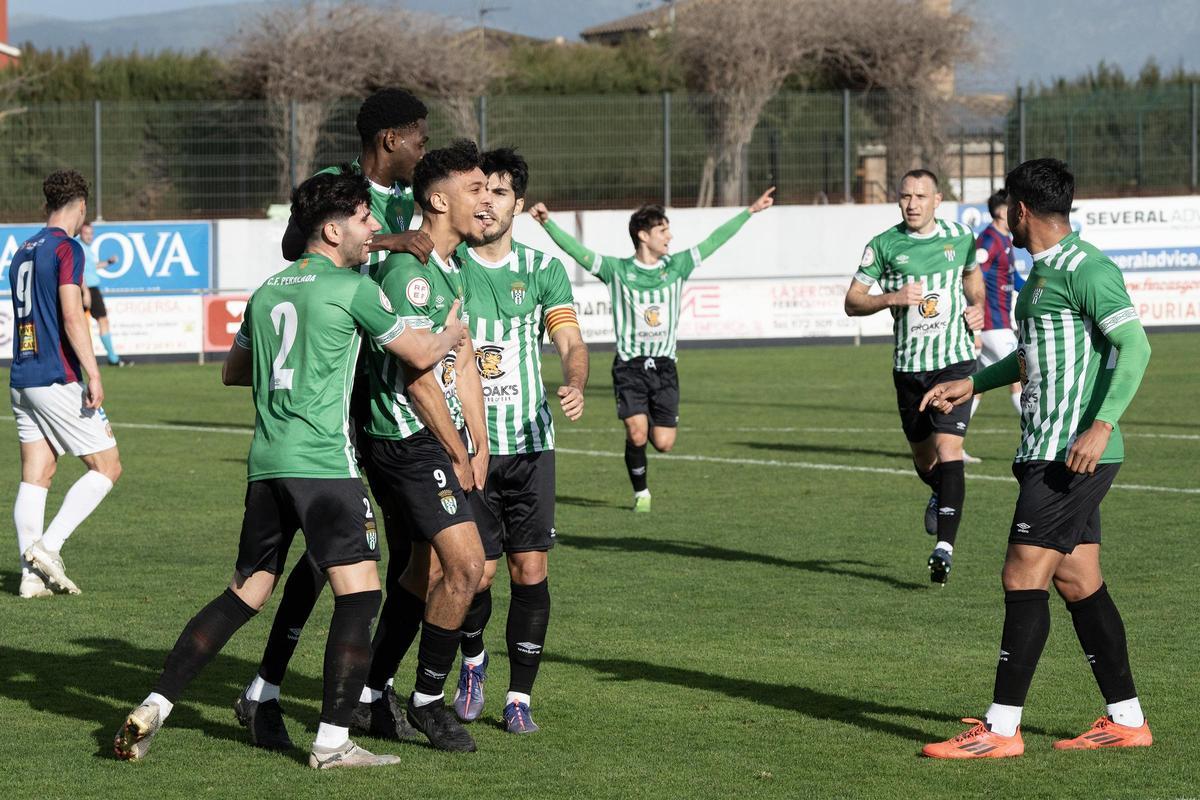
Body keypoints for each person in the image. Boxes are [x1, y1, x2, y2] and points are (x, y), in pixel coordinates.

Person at [113, 172, 464, 769]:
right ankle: (331, 742)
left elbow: (232, 372)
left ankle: (156, 702)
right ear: (333, 229)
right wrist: (453, 329)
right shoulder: (352, 289)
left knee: (244, 593)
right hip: (325, 465)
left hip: (266, 465)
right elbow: (420, 355)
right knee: (361, 594)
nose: (373, 229)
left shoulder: (267, 291)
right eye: (362, 219)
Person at [920, 158, 1153, 759]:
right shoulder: (1044, 273)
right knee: (1078, 580)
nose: (1006, 223)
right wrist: (972, 383)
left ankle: (1000, 731)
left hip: (1070, 454)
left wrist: (1100, 428)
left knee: (1022, 573)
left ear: (1021, 211)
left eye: (1008, 213)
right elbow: (1034, 355)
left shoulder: (1087, 268)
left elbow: (1136, 346)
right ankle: (1126, 720)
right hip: (1046, 448)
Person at [232, 88, 434, 747]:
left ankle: (374, 693)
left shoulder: (418, 194)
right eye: (419, 139)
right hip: (336, 404)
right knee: (326, 561)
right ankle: (268, 688)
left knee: (401, 555)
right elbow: (299, 247)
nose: (424, 149)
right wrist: (390, 240)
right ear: (390, 141)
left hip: (393, 398)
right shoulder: (333, 186)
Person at [353, 139, 491, 752]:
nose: (486, 200)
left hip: (435, 439)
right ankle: (430, 701)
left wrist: (478, 439)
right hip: (405, 439)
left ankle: (367, 694)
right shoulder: (408, 273)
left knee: (423, 570)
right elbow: (416, 378)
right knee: (465, 566)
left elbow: (458, 357)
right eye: (475, 190)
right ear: (438, 199)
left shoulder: (451, 267)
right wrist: (456, 453)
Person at [450, 147, 588, 734]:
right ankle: (474, 661)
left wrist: (575, 380)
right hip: (468, 448)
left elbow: (571, 340)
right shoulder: (446, 265)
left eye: (500, 192)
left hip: (531, 445)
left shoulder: (542, 270)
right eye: (479, 190)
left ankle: (519, 699)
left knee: (530, 571)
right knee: (475, 575)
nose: (487, 201)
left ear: (519, 205)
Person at [530, 187, 774, 511]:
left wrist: (750, 211)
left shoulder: (678, 266)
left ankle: (642, 456)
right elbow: (579, 252)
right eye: (663, 230)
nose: (670, 237)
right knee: (636, 432)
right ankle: (641, 493)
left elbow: (714, 241)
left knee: (664, 443)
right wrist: (548, 223)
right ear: (643, 235)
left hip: (665, 368)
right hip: (630, 366)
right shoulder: (616, 271)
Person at [843, 169, 984, 584]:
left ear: (937, 199)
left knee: (950, 450)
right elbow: (852, 302)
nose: (912, 203)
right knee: (925, 460)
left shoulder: (960, 237)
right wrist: (892, 297)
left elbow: (972, 276)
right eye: (905, 196)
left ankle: (944, 547)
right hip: (909, 369)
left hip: (954, 363)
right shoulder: (884, 245)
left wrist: (977, 308)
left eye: (920, 196)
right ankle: (939, 491)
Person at [9, 170, 122, 599]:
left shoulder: (23, 249)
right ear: (80, 207)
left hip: (22, 376)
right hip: (58, 376)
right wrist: (93, 372)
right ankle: (48, 549)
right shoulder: (65, 247)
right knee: (108, 466)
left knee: (38, 474)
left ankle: (30, 578)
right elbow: (73, 315)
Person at [969, 190, 1023, 420]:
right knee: (1025, 376)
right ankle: (1045, 435)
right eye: (1013, 208)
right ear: (1001, 212)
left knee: (975, 387)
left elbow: (1015, 279)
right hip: (993, 326)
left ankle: (950, 440)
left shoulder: (1004, 239)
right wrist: (976, 330)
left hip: (999, 324)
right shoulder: (989, 241)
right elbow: (972, 281)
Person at [78, 221, 127, 367]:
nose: (89, 236)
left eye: (91, 233)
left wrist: (108, 262)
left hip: (92, 289)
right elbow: (79, 271)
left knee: (102, 321)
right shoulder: (79, 247)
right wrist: (85, 291)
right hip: (87, 289)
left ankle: (112, 358)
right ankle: (112, 358)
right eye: (86, 233)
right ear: (80, 233)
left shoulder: (87, 248)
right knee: (83, 324)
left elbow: (92, 267)